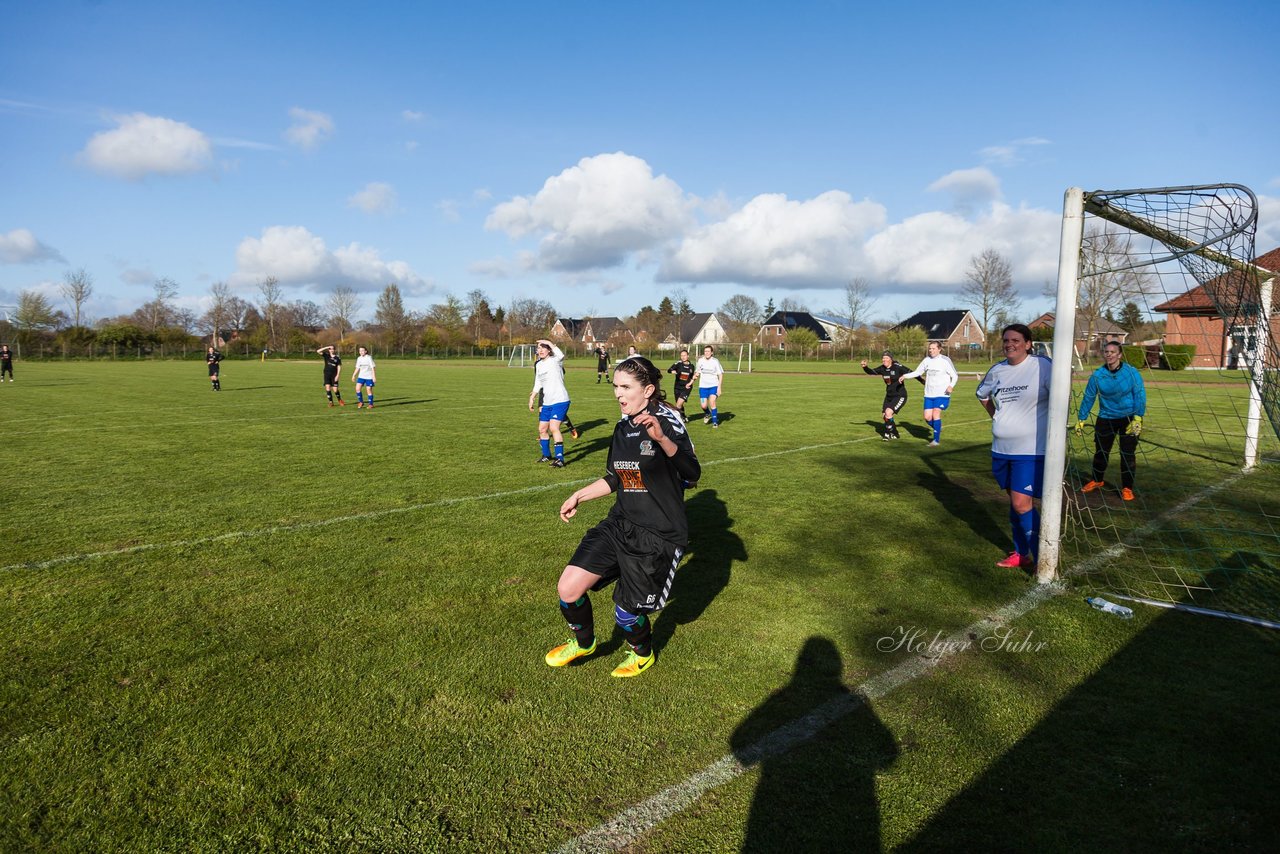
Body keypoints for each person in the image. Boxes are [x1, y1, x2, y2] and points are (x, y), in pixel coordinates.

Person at [545, 355, 701, 677]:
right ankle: (584, 642)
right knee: (568, 588)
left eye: (625, 386)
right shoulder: (622, 427)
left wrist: (661, 440)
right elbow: (617, 477)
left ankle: (642, 654)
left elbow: (692, 473)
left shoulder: (667, 422)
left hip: (658, 534)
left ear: (648, 390)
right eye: (616, 386)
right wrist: (579, 495)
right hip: (620, 524)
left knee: (625, 614)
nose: (618, 393)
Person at [976, 324, 1052, 570]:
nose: (1010, 344)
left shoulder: (1042, 366)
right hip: (1001, 450)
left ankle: (1045, 559)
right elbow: (982, 394)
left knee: (1021, 504)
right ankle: (1021, 553)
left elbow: (1059, 398)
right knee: (1016, 504)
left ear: (1028, 344)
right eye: (1006, 340)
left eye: (1016, 340)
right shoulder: (998, 370)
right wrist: (998, 418)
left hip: (1029, 451)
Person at [1076, 340, 1146, 501]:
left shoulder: (1131, 373)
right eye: (1106, 352)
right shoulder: (1098, 375)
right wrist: (1081, 418)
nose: (1109, 354)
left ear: (1120, 355)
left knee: (1127, 454)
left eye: (1113, 352)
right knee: (1101, 452)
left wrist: (1138, 417)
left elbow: (1140, 394)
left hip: (1128, 418)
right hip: (1106, 418)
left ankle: (1127, 488)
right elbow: (1089, 397)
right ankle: (1096, 480)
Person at [900, 341, 960, 446]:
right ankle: (937, 427)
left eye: (933, 348)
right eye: (929, 348)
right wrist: (905, 376)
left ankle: (935, 441)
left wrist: (951, 386)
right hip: (929, 394)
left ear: (939, 349)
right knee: (927, 417)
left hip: (942, 394)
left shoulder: (945, 360)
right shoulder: (926, 360)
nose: (930, 350)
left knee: (936, 413)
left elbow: (955, 376)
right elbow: (918, 372)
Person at [530, 339, 572, 467]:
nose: (541, 350)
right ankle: (547, 455)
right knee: (542, 429)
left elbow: (561, 354)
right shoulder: (538, 365)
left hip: (560, 400)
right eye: (539, 348)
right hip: (547, 402)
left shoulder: (556, 360)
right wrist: (532, 396)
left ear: (549, 350)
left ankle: (560, 459)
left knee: (554, 428)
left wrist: (548, 341)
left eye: (544, 347)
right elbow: (538, 382)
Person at [861, 351, 910, 440]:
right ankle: (895, 433)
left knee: (888, 412)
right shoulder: (882, 368)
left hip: (900, 395)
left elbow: (912, 372)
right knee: (885, 415)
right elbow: (872, 372)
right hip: (889, 396)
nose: (884, 360)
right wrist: (865, 367)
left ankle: (887, 434)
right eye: (883, 358)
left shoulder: (898, 367)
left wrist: (922, 381)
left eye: (886, 358)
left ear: (891, 359)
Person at [691, 345, 725, 428]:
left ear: (712, 352)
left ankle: (715, 422)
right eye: (705, 351)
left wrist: (719, 387)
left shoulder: (715, 361)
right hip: (703, 387)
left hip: (714, 385)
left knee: (712, 402)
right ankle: (707, 413)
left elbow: (720, 374)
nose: (706, 353)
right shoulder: (700, 361)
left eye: (708, 351)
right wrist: (691, 381)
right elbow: (697, 373)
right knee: (703, 406)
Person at [667, 348, 696, 422]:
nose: (683, 357)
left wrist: (692, 380)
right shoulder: (678, 364)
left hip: (687, 387)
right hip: (677, 387)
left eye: (684, 355)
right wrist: (672, 371)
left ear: (688, 356)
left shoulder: (691, 366)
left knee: (678, 405)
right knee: (679, 405)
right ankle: (683, 416)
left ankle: (676, 420)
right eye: (681, 355)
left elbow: (692, 377)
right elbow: (669, 369)